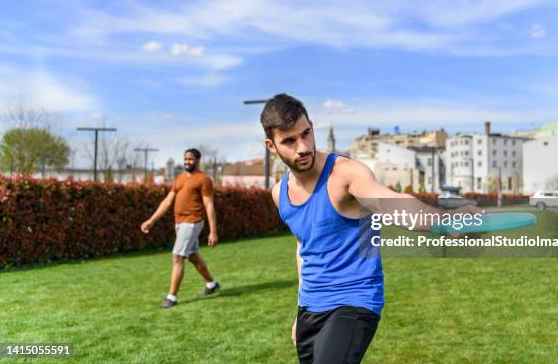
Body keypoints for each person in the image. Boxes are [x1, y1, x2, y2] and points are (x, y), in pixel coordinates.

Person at [261, 94, 459, 364]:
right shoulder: (279, 194)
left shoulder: (345, 173)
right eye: (290, 141)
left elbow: (392, 204)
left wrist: (445, 222)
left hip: (353, 301)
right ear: (271, 146)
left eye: (306, 134)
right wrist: (299, 309)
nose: (303, 147)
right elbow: (303, 247)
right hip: (310, 308)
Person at [141, 148, 220, 308]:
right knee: (192, 256)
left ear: (198, 160)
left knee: (177, 256)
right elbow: (167, 202)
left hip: (192, 222)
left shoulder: (204, 179)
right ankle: (211, 284)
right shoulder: (179, 179)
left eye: (190, 159)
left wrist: (213, 231)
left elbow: (209, 205)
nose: (187, 162)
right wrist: (152, 220)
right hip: (179, 222)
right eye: (185, 159)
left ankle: (172, 297)